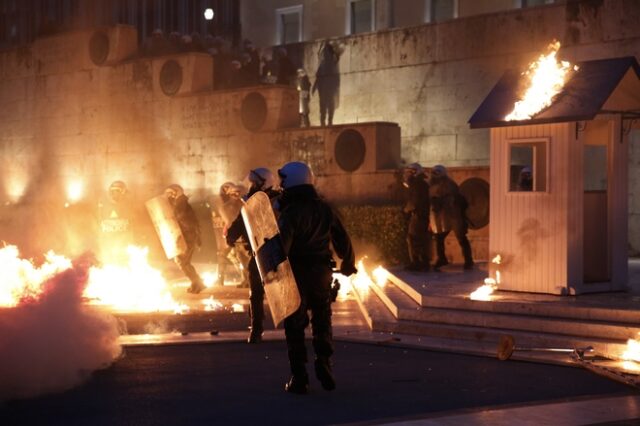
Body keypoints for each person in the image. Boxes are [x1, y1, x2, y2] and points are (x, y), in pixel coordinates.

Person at [277, 161, 356, 394]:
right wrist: (349, 262)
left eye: (283, 179)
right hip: (322, 272)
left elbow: (283, 246)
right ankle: (324, 362)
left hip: (297, 274)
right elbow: (343, 238)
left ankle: (299, 377)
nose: (280, 184)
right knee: (322, 320)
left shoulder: (291, 212)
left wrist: (271, 266)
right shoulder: (324, 208)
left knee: (295, 324)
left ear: (292, 180)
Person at [226, 168, 280, 343]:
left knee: (256, 292)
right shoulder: (280, 200)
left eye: (253, 183)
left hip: (262, 253)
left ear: (261, 183)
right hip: (281, 252)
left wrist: (230, 237)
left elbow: (240, 224)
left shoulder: (254, 204)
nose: (250, 186)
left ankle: (257, 329)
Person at [429, 165, 474, 270]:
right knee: (439, 238)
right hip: (441, 217)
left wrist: (441, 201)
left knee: (461, 238)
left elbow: (453, 199)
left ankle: (469, 260)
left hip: (454, 216)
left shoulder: (449, 185)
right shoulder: (431, 186)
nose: (434, 176)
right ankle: (442, 259)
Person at [165, 184, 206, 294]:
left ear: (176, 192)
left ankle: (198, 283)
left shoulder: (180, 203)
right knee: (184, 262)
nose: (169, 195)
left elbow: (182, 218)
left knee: (183, 262)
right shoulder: (181, 203)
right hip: (188, 235)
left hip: (187, 236)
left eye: (171, 193)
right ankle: (196, 283)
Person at [211, 182, 247, 287]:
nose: (236, 196)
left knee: (242, 259)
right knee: (231, 257)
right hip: (231, 236)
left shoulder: (242, 205)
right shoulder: (224, 206)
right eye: (233, 194)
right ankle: (221, 279)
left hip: (238, 236)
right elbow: (227, 222)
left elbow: (232, 222)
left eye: (237, 193)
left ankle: (246, 280)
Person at [402, 163, 431, 271]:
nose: (407, 175)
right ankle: (424, 262)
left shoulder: (417, 184)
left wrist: (406, 209)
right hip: (422, 215)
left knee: (412, 238)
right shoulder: (422, 184)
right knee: (421, 239)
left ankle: (416, 262)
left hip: (419, 215)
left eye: (409, 172)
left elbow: (414, 201)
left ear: (415, 172)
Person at [97, 180, 134, 264]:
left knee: (122, 254)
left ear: (123, 192)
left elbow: (131, 219)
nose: (114, 193)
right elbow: (100, 217)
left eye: (117, 191)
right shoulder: (102, 201)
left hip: (122, 235)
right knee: (109, 253)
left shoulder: (128, 202)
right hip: (108, 234)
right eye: (113, 191)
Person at [312, 42, 340, 126]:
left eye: (326, 52)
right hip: (323, 88)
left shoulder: (333, 63)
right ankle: (323, 121)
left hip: (329, 88)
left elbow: (337, 58)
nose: (324, 54)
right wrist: (315, 87)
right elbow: (318, 76)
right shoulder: (323, 64)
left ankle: (329, 121)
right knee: (323, 106)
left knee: (330, 105)